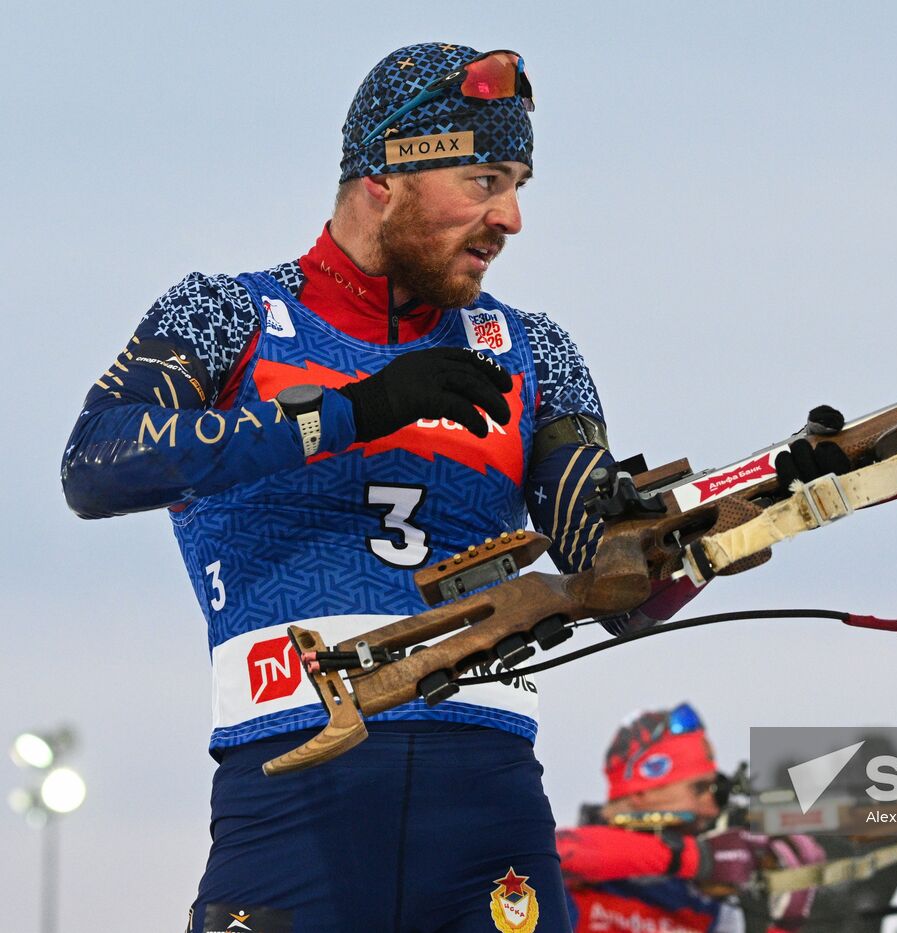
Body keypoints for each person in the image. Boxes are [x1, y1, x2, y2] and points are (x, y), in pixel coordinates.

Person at [60, 42, 659, 933]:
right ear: (385, 176)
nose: (513, 217)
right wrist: (351, 412)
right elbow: (94, 463)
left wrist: (665, 537)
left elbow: (614, 581)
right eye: (486, 180)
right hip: (294, 790)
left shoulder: (534, 350)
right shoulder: (227, 314)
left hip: (488, 807)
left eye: (519, 183)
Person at [557, 703, 826, 932]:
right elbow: (558, 853)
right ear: (643, 791)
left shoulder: (709, 904)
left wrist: (785, 925)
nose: (710, 809)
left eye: (715, 792)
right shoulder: (572, 870)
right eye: (698, 790)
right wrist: (700, 858)